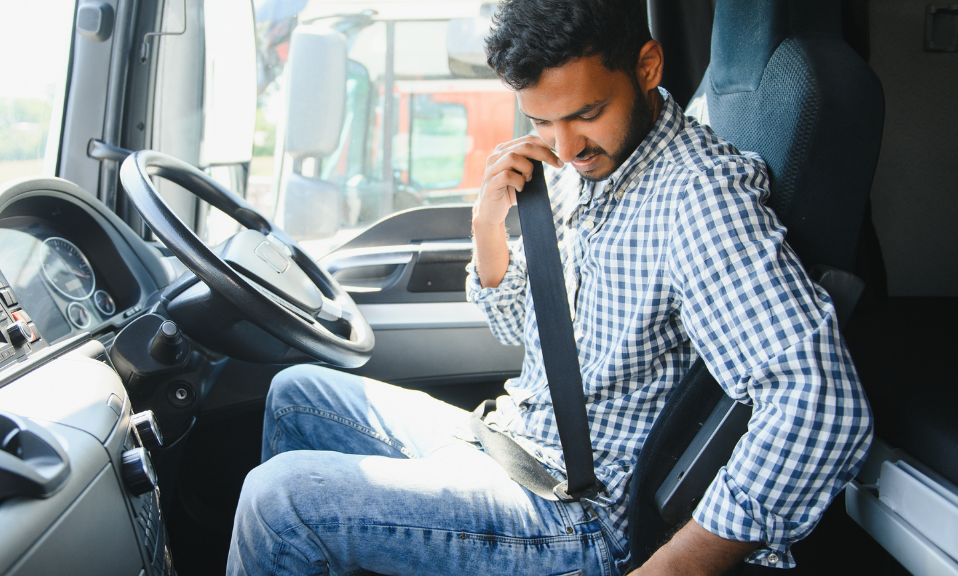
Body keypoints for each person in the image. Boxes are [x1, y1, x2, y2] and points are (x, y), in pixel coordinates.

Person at [226, 0, 872, 573]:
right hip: (518, 441)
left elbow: (819, 405)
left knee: (280, 500)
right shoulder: (587, 173)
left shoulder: (698, 200)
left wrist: (676, 568)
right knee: (295, 394)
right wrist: (488, 225)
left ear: (647, 67)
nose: (564, 147)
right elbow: (522, 334)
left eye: (586, 113)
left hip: (576, 514)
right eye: (541, 121)